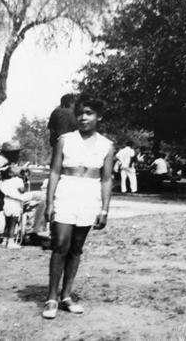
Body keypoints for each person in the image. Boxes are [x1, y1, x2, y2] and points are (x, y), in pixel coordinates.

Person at [43, 94, 114, 319]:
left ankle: (66, 296)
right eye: (80, 113)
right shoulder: (65, 139)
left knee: (76, 247)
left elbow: (106, 179)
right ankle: (52, 297)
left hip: (90, 194)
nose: (83, 118)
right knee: (60, 244)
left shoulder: (107, 145)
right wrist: (50, 201)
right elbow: (54, 171)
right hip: (66, 191)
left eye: (89, 113)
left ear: (98, 117)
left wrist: (104, 209)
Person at [0, 140, 47, 242]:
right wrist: (12, 176)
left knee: (40, 197)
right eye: (16, 152)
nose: (18, 155)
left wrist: (19, 174)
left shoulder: (6, 160)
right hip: (1, 199)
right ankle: (30, 233)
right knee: (40, 198)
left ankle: (31, 231)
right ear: (9, 153)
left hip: (10, 196)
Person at [0, 164, 45, 249]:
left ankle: (4, 240)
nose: (17, 168)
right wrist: (23, 182)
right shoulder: (17, 180)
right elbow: (22, 190)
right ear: (11, 173)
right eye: (14, 168)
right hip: (15, 203)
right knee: (13, 223)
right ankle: (11, 242)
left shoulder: (2, 181)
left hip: (7, 203)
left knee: (7, 224)